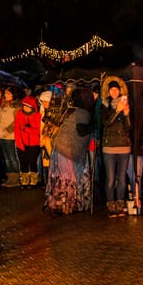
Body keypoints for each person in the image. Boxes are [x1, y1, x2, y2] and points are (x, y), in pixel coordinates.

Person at [44, 87, 95, 216]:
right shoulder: (83, 113)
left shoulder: (70, 110)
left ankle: (57, 202)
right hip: (69, 150)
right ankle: (67, 204)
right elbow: (81, 131)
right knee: (69, 178)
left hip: (59, 147)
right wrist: (93, 125)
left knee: (61, 177)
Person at [99, 77, 131, 217]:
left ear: (120, 91)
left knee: (122, 178)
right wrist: (117, 111)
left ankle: (120, 202)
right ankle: (110, 202)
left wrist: (127, 114)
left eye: (116, 89)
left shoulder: (125, 104)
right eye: (111, 89)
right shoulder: (104, 105)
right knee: (111, 178)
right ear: (108, 91)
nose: (114, 91)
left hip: (124, 146)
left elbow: (129, 127)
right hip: (109, 147)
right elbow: (106, 123)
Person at [0, 87, 21, 187]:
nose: (6, 95)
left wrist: (7, 130)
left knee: (13, 157)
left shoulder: (16, 106)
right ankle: (10, 178)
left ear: (13, 95)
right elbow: (1, 115)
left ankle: (17, 178)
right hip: (2, 136)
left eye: (8, 94)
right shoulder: (6, 105)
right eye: (5, 93)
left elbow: (17, 121)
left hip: (10, 137)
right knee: (7, 158)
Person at [14, 95, 42, 189]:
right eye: (24, 105)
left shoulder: (38, 116)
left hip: (34, 144)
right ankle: (24, 181)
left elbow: (39, 131)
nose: (25, 108)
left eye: (28, 106)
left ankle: (34, 180)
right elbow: (17, 130)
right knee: (23, 162)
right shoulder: (19, 114)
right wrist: (19, 143)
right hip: (22, 143)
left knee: (32, 162)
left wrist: (27, 129)